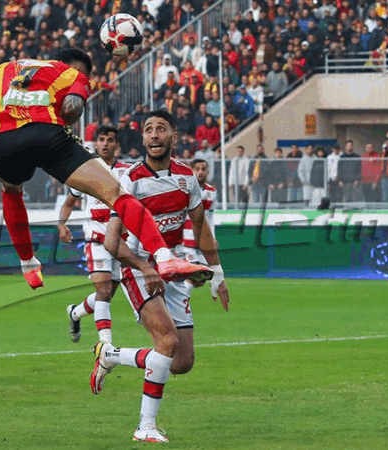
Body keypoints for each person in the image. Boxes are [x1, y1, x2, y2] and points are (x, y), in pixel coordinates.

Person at [0, 48, 212, 289]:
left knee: (11, 190)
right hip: (48, 135)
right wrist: (67, 108)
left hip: (3, 143)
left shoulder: (5, 69)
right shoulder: (73, 75)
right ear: (79, 68)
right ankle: (164, 257)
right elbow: (73, 108)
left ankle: (27, 263)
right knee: (117, 194)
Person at [90, 111, 229, 444]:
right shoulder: (130, 180)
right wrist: (144, 266)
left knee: (182, 361)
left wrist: (218, 274)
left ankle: (111, 355)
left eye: (161, 129)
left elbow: (201, 228)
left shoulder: (186, 178)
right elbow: (112, 242)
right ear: (143, 139)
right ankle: (145, 426)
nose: (154, 135)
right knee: (166, 343)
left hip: (172, 268)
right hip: (138, 269)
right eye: (148, 130)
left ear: (173, 137)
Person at [58, 124, 132, 344]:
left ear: (117, 144)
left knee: (106, 294)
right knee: (104, 291)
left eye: (110, 140)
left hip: (120, 241)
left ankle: (75, 313)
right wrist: (62, 224)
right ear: (96, 143)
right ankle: (105, 347)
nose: (105, 144)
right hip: (96, 239)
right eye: (101, 139)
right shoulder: (86, 172)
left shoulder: (127, 172)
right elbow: (69, 202)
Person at [182, 158, 217, 265]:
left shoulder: (212, 192)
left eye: (203, 169)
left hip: (204, 239)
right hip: (186, 240)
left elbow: (210, 217)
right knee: (193, 271)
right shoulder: (184, 190)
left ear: (208, 172)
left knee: (204, 273)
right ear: (191, 171)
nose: (200, 172)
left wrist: (213, 237)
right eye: (197, 169)